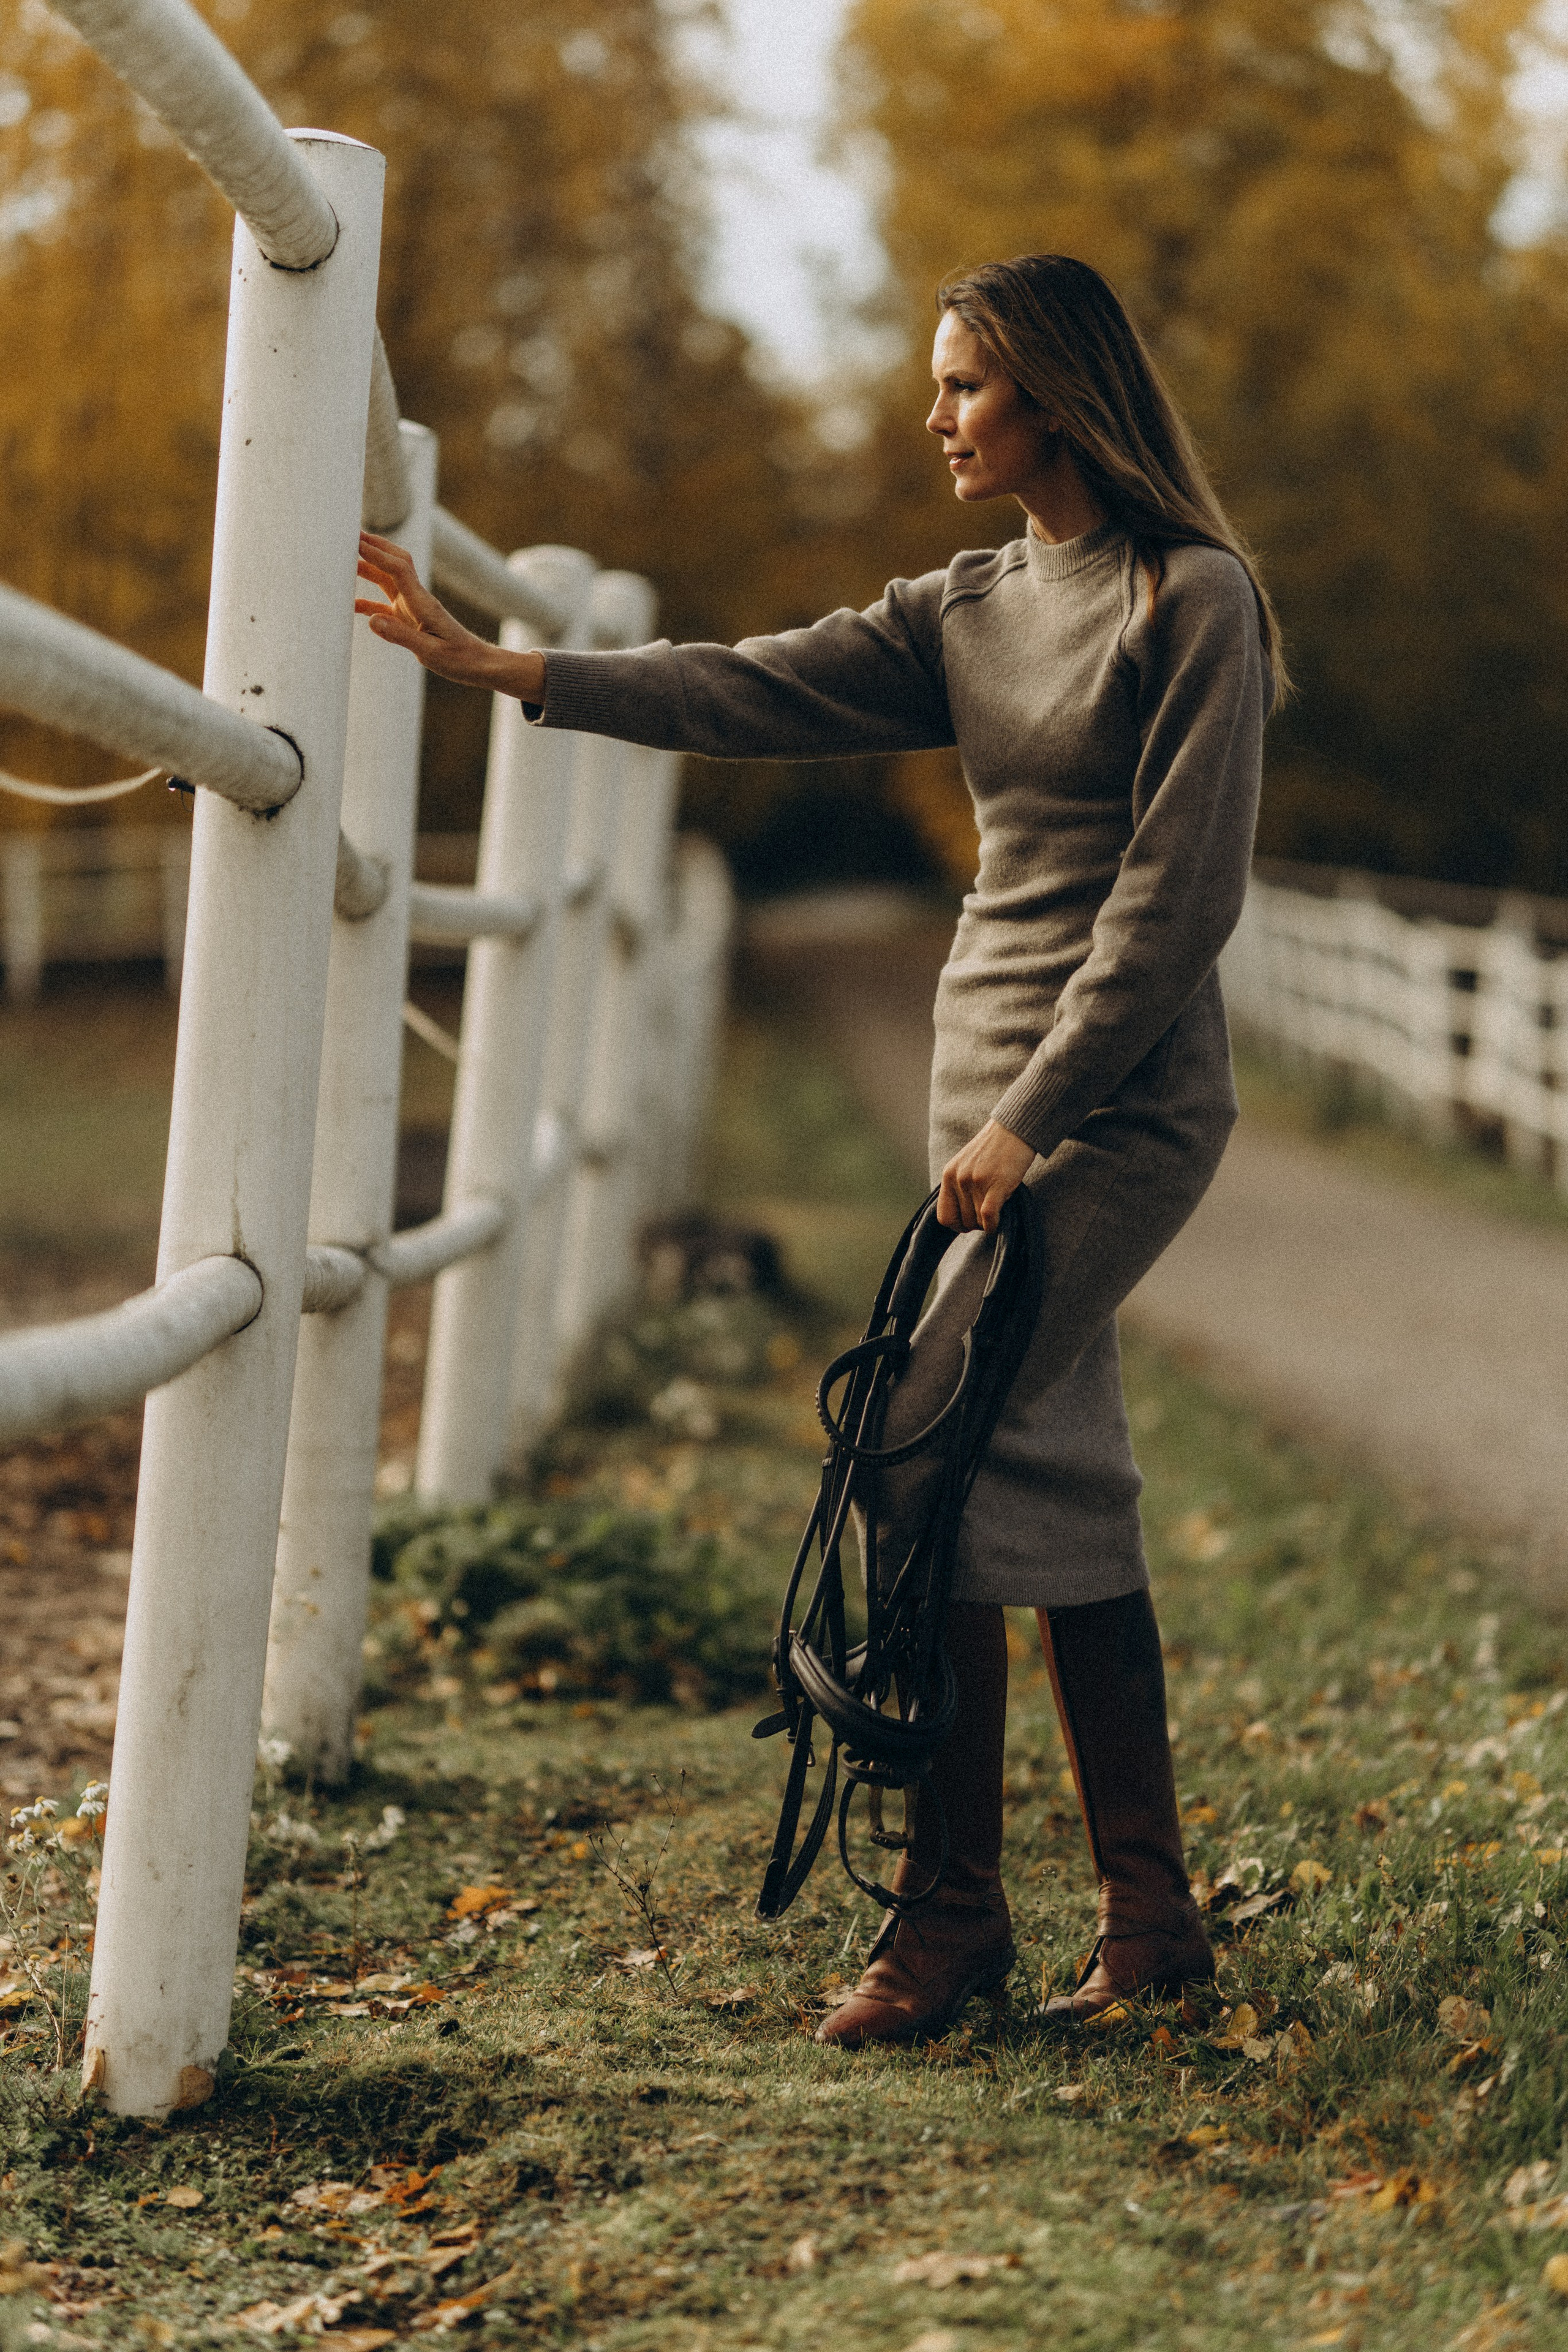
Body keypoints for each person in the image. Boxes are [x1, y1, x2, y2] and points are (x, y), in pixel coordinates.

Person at [356, 252, 1283, 2048]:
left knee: (917, 1447)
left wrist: (1030, 1122)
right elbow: (750, 688)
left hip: (1114, 1102)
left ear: (1057, 397)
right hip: (980, 1077)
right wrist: (502, 663)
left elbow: (1177, 907)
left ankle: (950, 1922)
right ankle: (1149, 1921)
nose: (935, 416)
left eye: (964, 385)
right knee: (1041, 1458)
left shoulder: (1194, 600)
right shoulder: (972, 602)